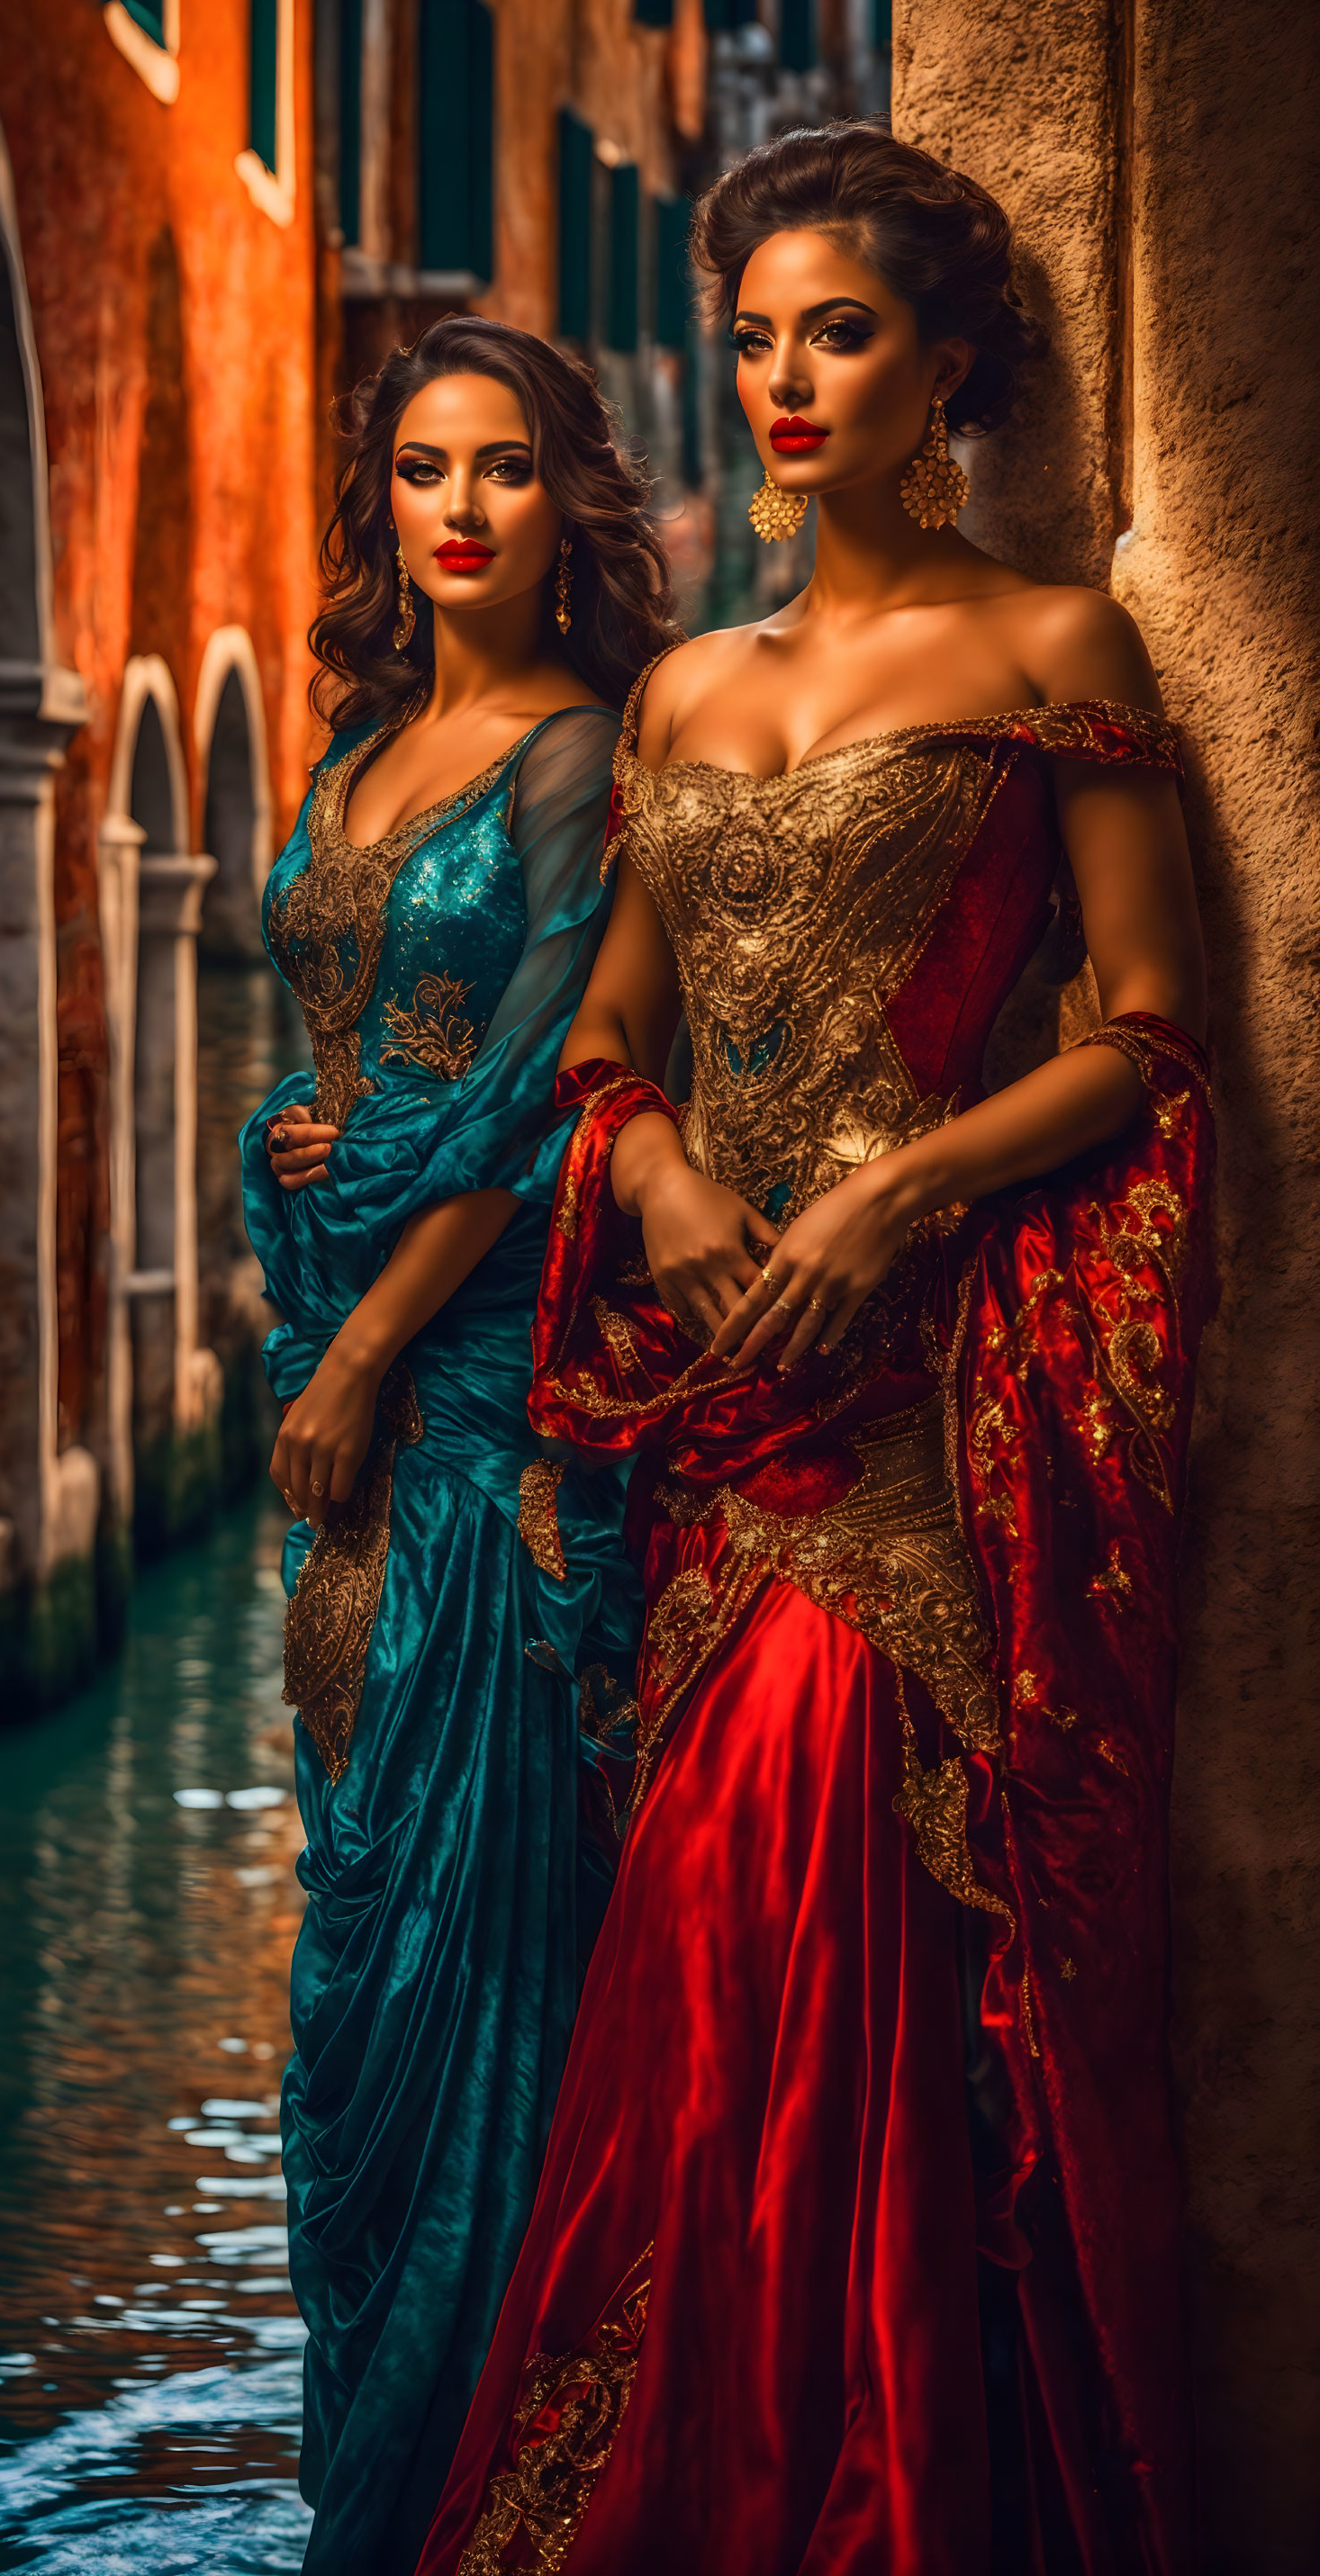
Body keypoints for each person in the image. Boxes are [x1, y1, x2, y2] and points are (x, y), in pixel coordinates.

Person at [417, 128, 1215, 2576]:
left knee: (835, 1913)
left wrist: (902, 1187)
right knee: (701, 1949)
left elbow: (1149, 1037)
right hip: (708, 1412)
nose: (778, 378)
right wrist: (647, 1168)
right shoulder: (673, 687)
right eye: (752, 333)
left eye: (832, 332)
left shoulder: (1049, 643)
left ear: (940, 365)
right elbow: (611, 1036)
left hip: (907, 1402)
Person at [240, 316, 675, 2575]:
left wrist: (358, 1353)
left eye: (504, 468)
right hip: (349, 1387)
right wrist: (292, 1143)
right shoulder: (354, 748)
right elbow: (327, 1044)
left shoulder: (580, 752)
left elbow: (529, 1096)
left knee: (474, 1950)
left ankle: (494, 2501)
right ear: (383, 501)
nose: (463, 509)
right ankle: (371, 2485)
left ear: (560, 495)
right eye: (423, 469)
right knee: (353, 1950)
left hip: (478, 1398)